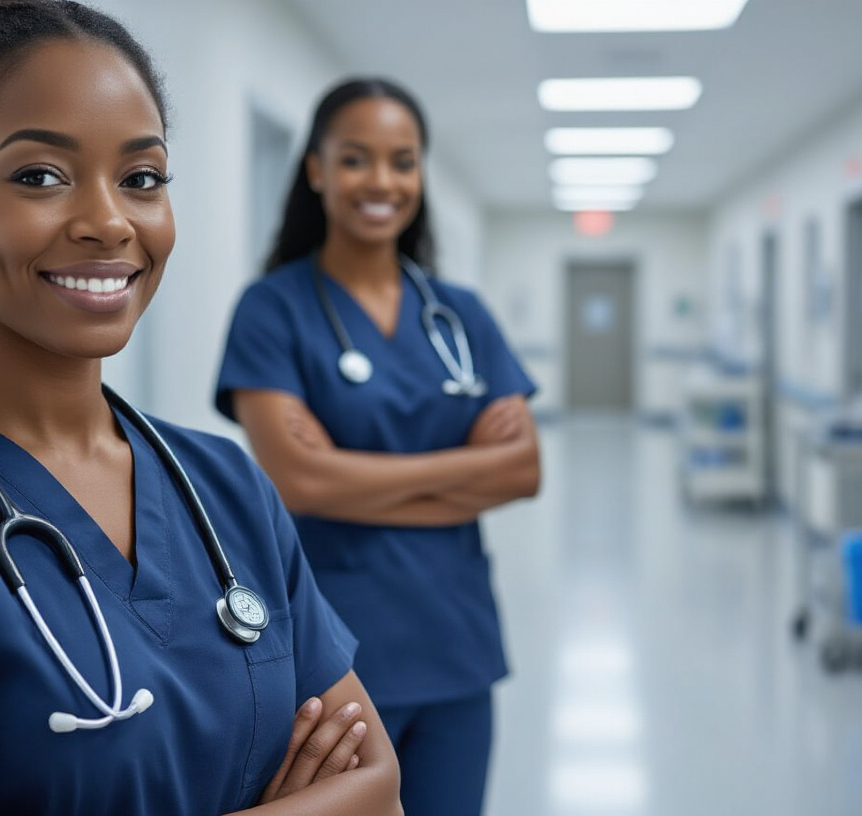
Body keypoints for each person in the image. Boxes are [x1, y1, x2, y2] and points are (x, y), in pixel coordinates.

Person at [0, 4, 402, 815]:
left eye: (141, 178)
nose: (110, 221)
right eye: (40, 176)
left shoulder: (224, 486)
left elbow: (379, 787)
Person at [214, 77, 541, 816]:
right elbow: (298, 482)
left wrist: (351, 476)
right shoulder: (272, 310)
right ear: (318, 169)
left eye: (404, 160)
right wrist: (465, 471)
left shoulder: (459, 315)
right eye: (357, 159)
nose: (382, 181)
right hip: (335, 658)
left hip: (457, 646)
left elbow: (523, 469)